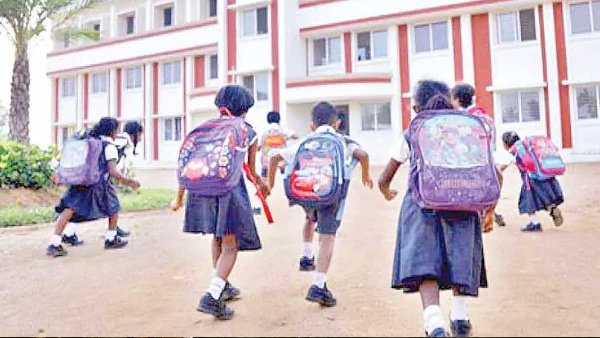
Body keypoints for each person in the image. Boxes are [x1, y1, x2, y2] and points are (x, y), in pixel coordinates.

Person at [379, 80, 487, 337]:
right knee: (460, 256)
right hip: (463, 203)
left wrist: (385, 190)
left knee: (426, 264)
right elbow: (488, 169)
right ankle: (460, 317)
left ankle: (434, 321)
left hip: (422, 207)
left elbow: (385, 177)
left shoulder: (413, 132)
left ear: (416, 107)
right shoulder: (466, 129)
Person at [170, 85, 270, 320]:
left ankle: (222, 284)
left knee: (217, 237)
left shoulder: (204, 129)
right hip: (228, 190)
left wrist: (179, 198)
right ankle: (212, 295)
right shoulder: (247, 130)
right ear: (245, 109)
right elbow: (251, 171)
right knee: (230, 245)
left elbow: (187, 165)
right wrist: (262, 185)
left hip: (200, 190)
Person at [268, 102, 373, 307]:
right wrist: (366, 174)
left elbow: (274, 157)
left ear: (311, 126)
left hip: (307, 192)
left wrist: (269, 184)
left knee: (309, 219)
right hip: (329, 194)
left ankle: (306, 256)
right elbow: (363, 155)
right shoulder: (342, 140)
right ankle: (318, 285)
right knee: (327, 237)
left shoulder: (307, 141)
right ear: (338, 123)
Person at [47, 117, 141, 257]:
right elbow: (113, 171)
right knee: (113, 207)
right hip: (98, 185)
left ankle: (54, 243)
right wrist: (130, 182)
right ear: (113, 132)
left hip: (81, 180)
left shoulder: (91, 142)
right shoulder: (109, 146)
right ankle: (110, 238)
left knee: (69, 209)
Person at [452, 83, 507, 229]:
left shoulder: (458, 120)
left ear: (456, 99)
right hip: (486, 166)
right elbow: (492, 145)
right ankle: (490, 212)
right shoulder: (486, 117)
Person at [500, 131, 564, 232]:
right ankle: (552, 208)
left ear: (506, 143)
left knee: (528, 202)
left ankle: (535, 223)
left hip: (530, 181)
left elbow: (501, 168)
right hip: (543, 176)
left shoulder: (513, 152)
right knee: (543, 197)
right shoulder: (527, 146)